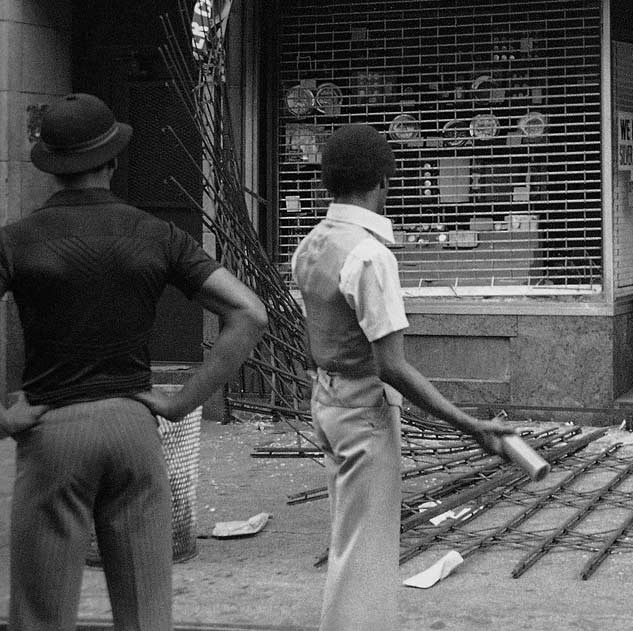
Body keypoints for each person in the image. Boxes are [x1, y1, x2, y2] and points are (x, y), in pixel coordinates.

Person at [0, 92, 268, 631]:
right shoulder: (158, 234)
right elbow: (250, 313)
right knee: (147, 614)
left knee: (41, 616)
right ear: (114, 161)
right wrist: (181, 402)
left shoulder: (16, 241)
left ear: (51, 166)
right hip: (133, 428)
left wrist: (1, 412)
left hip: (52, 430)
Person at [292, 123, 515, 631]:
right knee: (365, 557)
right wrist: (471, 425)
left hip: (326, 402)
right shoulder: (371, 255)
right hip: (364, 410)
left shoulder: (310, 245)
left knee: (349, 540)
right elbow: (392, 364)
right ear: (382, 182)